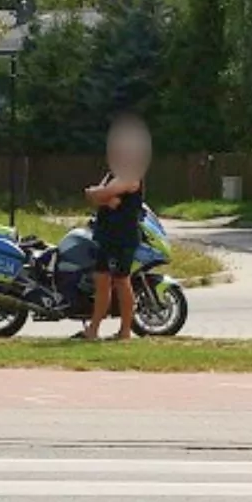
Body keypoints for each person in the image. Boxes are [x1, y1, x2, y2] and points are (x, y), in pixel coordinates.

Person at [81, 114, 149, 340]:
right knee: (103, 280)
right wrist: (101, 196)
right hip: (106, 234)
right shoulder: (113, 173)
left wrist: (101, 195)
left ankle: (123, 331)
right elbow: (95, 195)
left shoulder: (131, 175)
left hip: (122, 236)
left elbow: (102, 193)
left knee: (120, 280)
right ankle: (96, 329)